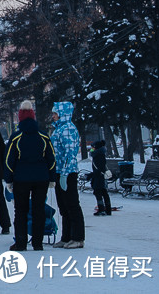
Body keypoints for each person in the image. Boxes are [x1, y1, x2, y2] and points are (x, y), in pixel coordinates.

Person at [4, 100, 57, 252]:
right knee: (38, 210)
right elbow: (51, 159)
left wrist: (9, 179)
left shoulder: (16, 138)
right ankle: (38, 243)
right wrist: (52, 178)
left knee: (20, 211)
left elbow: (9, 161)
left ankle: (21, 242)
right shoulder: (43, 137)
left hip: (21, 180)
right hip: (41, 179)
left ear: (20, 118)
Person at [50, 101, 85, 249]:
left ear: (62, 114)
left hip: (67, 173)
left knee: (72, 205)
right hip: (60, 172)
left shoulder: (68, 129)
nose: (53, 116)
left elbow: (70, 154)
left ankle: (78, 237)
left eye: (55, 113)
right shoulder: (60, 129)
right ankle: (66, 237)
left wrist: (64, 174)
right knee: (63, 206)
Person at [90, 140, 112, 216]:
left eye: (92, 147)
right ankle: (107, 209)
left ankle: (102, 209)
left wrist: (92, 175)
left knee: (99, 192)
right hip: (99, 176)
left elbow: (99, 168)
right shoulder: (98, 154)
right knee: (103, 192)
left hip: (99, 177)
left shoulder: (98, 155)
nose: (91, 149)